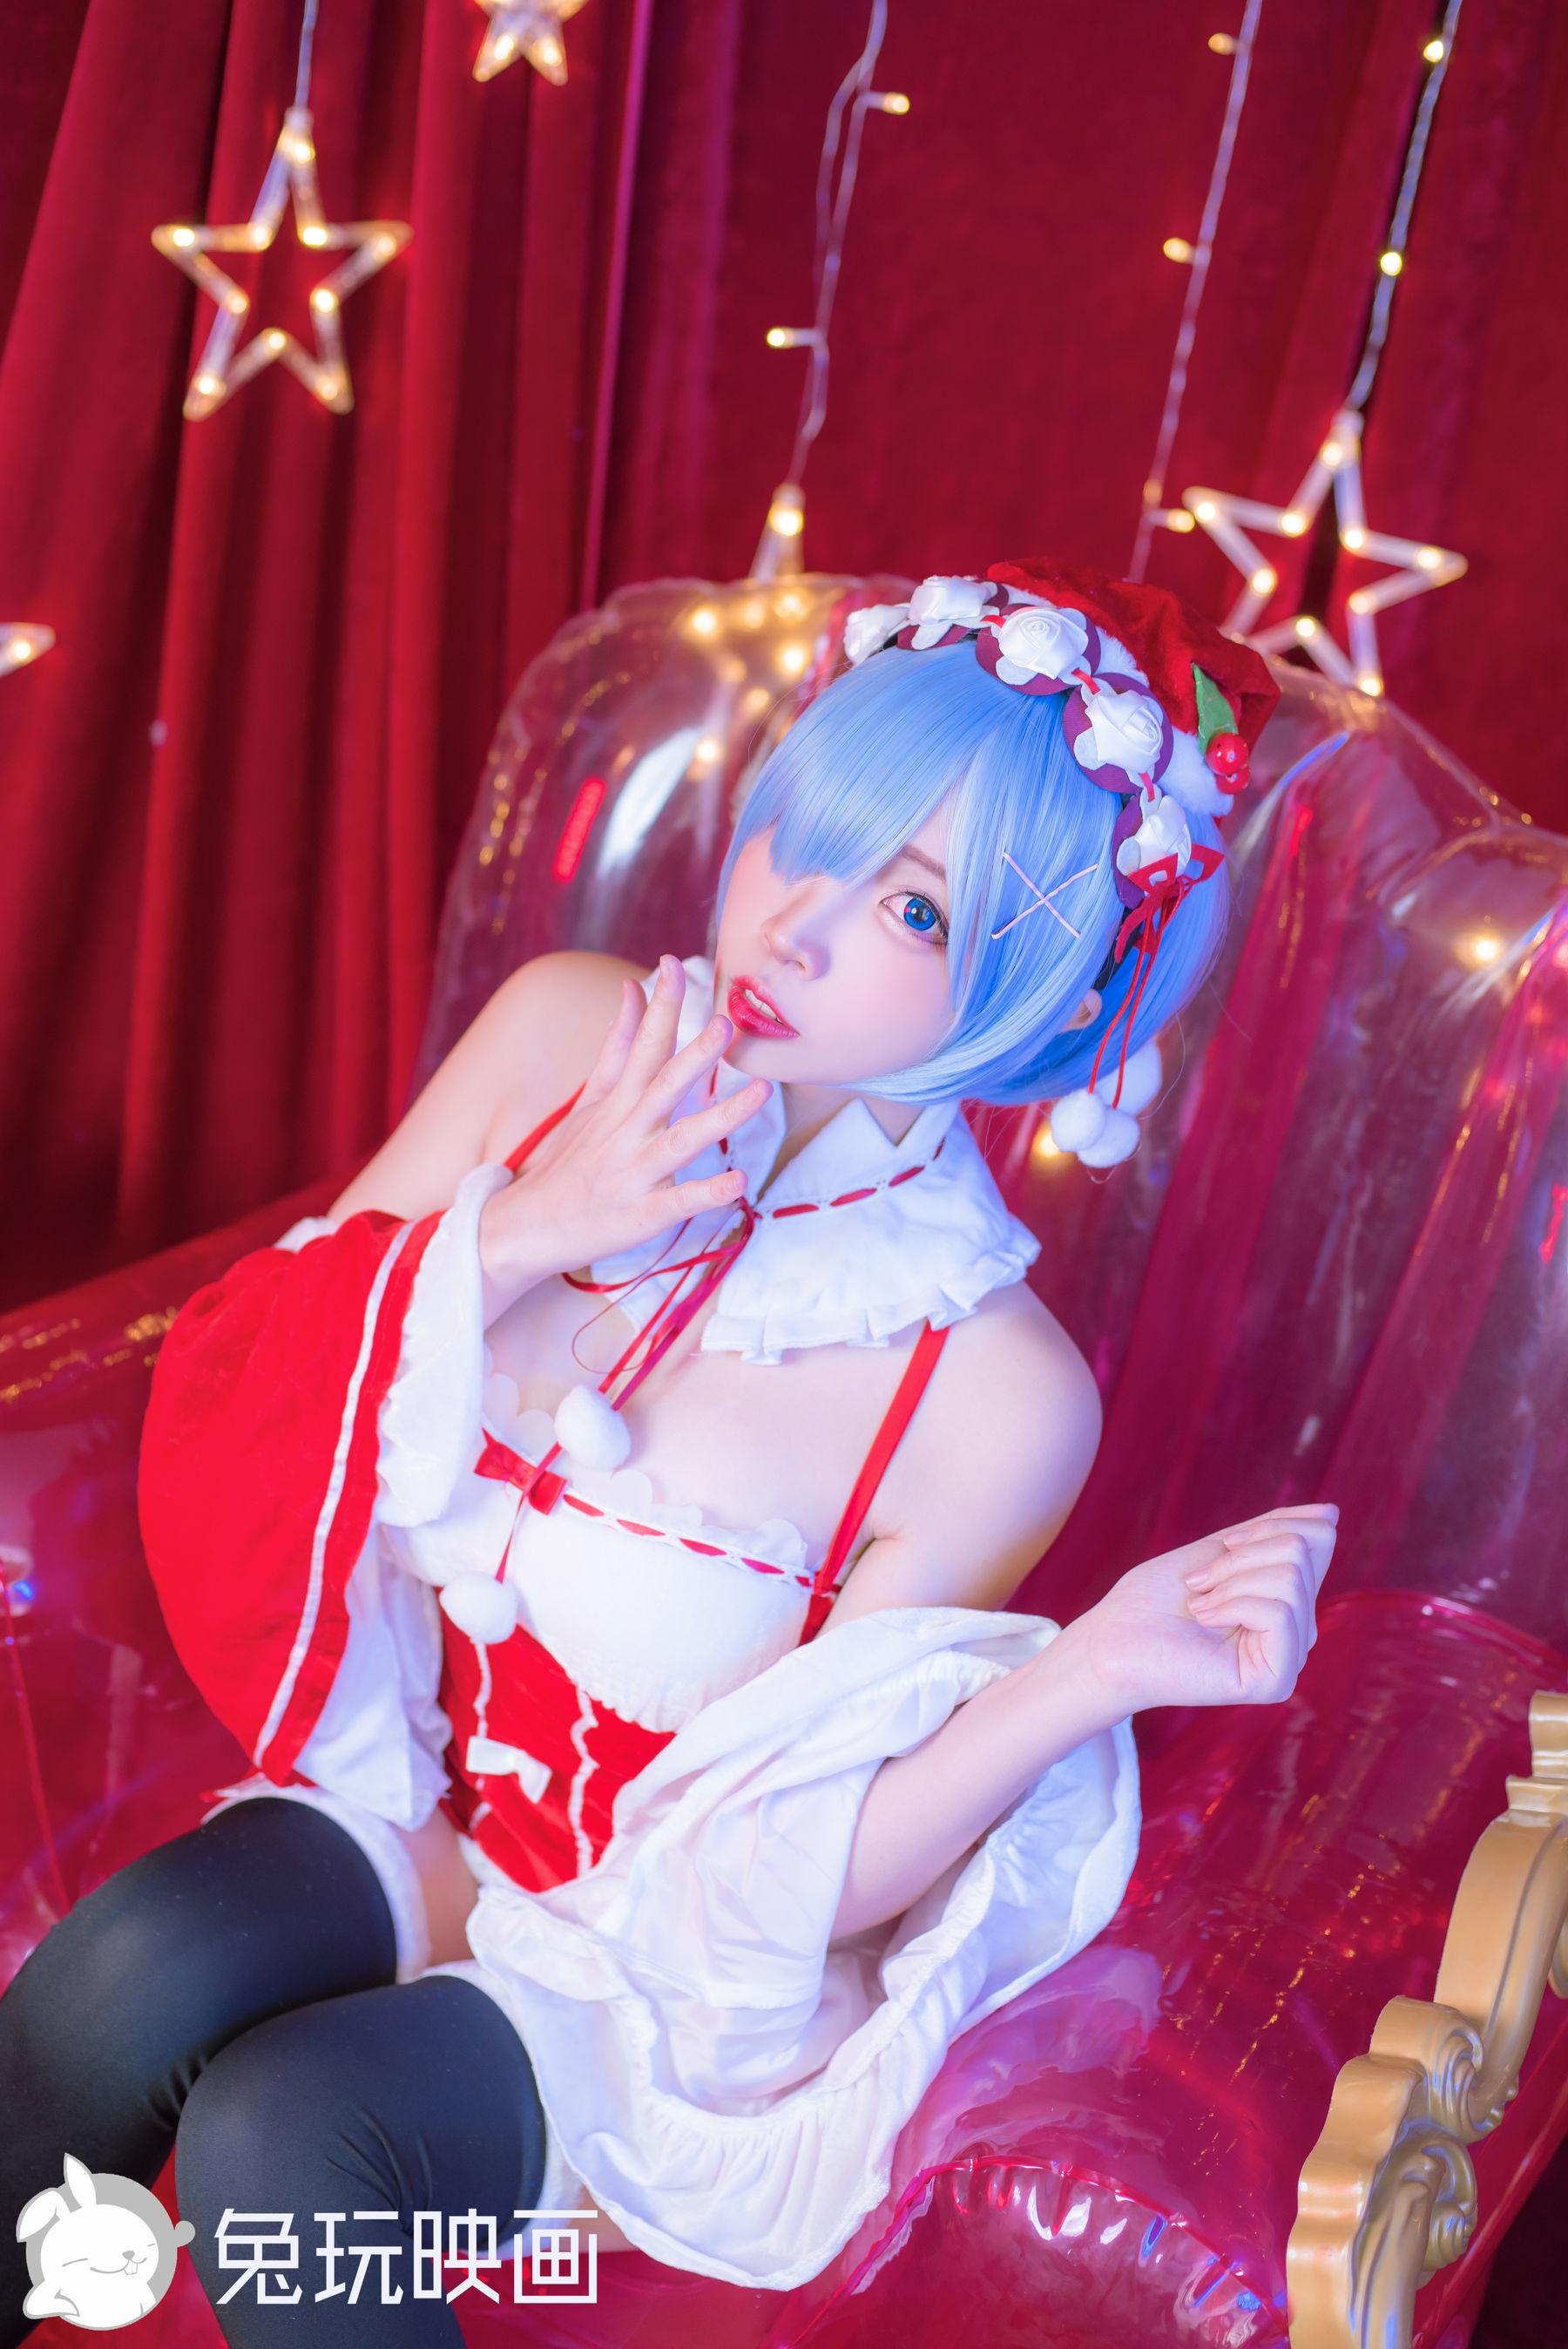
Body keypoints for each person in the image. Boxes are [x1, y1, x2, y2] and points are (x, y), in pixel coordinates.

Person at [0, 558, 1338, 2341]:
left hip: (643, 1959)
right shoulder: (568, 1034)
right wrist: (521, 1229)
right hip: (416, 1798)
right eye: (810, 832)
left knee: (291, 2148)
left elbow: (812, 1854)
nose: (793, 923)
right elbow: (256, 1388)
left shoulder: (996, 1393)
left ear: (1047, 1002)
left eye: (914, 909)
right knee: (114, 1982)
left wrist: (1086, 1675)